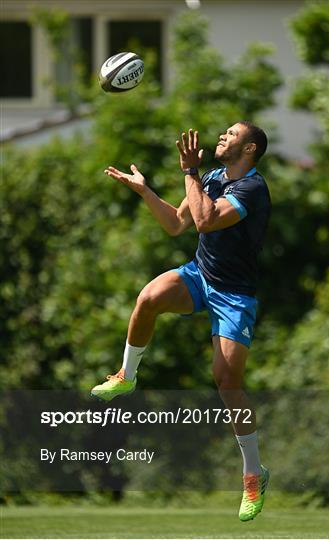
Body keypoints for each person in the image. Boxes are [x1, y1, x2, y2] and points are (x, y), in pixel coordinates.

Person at [91, 121, 271, 521]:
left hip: (234, 295)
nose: (222, 136)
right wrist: (145, 191)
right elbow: (177, 223)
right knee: (149, 297)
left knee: (228, 384)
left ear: (251, 148)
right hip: (200, 276)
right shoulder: (211, 176)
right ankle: (127, 376)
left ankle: (254, 474)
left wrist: (189, 173)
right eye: (223, 132)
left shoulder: (252, 189)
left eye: (231, 135)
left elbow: (206, 221)